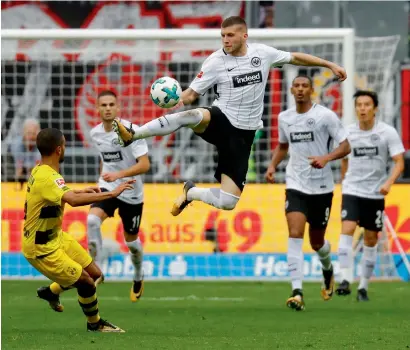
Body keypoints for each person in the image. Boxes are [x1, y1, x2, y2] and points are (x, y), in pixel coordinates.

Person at [111, 16, 347, 217]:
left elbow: (295, 57)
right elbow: (193, 94)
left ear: (244, 36)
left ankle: (191, 192)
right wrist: (176, 97)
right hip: (221, 119)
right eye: (223, 35)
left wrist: (329, 64)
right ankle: (134, 133)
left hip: (243, 135)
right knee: (192, 115)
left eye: (231, 35)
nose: (225, 40)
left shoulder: (262, 54)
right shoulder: (215, 61)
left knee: (228, 202)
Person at [23, 127, 135, 332]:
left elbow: (58, 194)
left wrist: (80, 191)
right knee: (86, 283)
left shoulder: (41, 170)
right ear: (58, 149)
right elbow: (72, 201)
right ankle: (95, 324)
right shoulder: (48, 176)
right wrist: (111, 195)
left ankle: (50, 292)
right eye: (64, 144)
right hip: (41, 247)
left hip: (56, 237)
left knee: (95, 274)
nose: (65, 148)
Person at [265, 75, 351, 311]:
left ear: (312, 90)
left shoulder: (325, 116)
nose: (301, 89)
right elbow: (283, 146)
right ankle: (297, 292)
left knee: (316, 242)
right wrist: (273, 166)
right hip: (296, 184)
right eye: (297, 86)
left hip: (322, 188)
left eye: (305, 86)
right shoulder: (285, 117)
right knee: (294, 233)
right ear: (292, 90)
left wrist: (326, 158)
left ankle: (328, 269)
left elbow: (346, 145)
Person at [336, 90, 405, 301]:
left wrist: (388, 182)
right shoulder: (347, 132)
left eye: (367, 105)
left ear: (375, 109)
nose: (362, 109)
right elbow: (344, 159)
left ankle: (363, 287)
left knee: (371, 239)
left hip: (375, 193)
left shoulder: (387, 132)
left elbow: (399, 162)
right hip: (352, 190)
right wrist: (345, 180)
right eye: (359, 105)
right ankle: (344, 278)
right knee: (347, 228)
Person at [87, 90, 150, 302]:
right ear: (97, 109)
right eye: (103, 105)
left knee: (131, 242)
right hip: (108, 187)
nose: (107, 108)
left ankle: (138, 274)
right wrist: (103, 181)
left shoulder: (132, 131)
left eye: (111, 104)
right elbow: (105, 160)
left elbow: (145, 165)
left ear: (118, 107)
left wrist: (119, 175)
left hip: (132, 192)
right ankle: (95, 271)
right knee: (92, 220)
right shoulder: (95, 133)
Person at [9, 118, 41, 188]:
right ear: (23, 132)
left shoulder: (40, 145)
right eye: (29, 133)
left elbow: (37, 168)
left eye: (33, 133)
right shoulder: (16, 144)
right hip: (19, 173)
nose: (31, 136)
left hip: (34, 176)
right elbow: (18, 169)